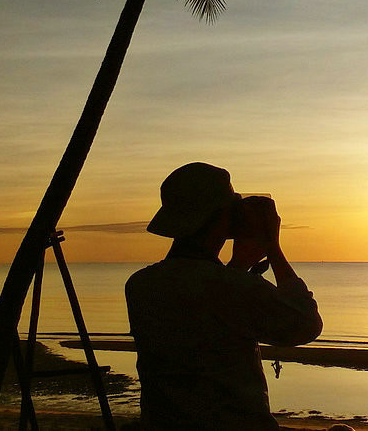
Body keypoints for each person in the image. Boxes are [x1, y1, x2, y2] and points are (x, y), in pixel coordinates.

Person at [125, 162, 323, 430]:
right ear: (220, 215)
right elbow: (305, 325)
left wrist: (238, 267)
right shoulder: (233, 287)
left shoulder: (140, 286)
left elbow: (205, 315)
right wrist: (273, 249)